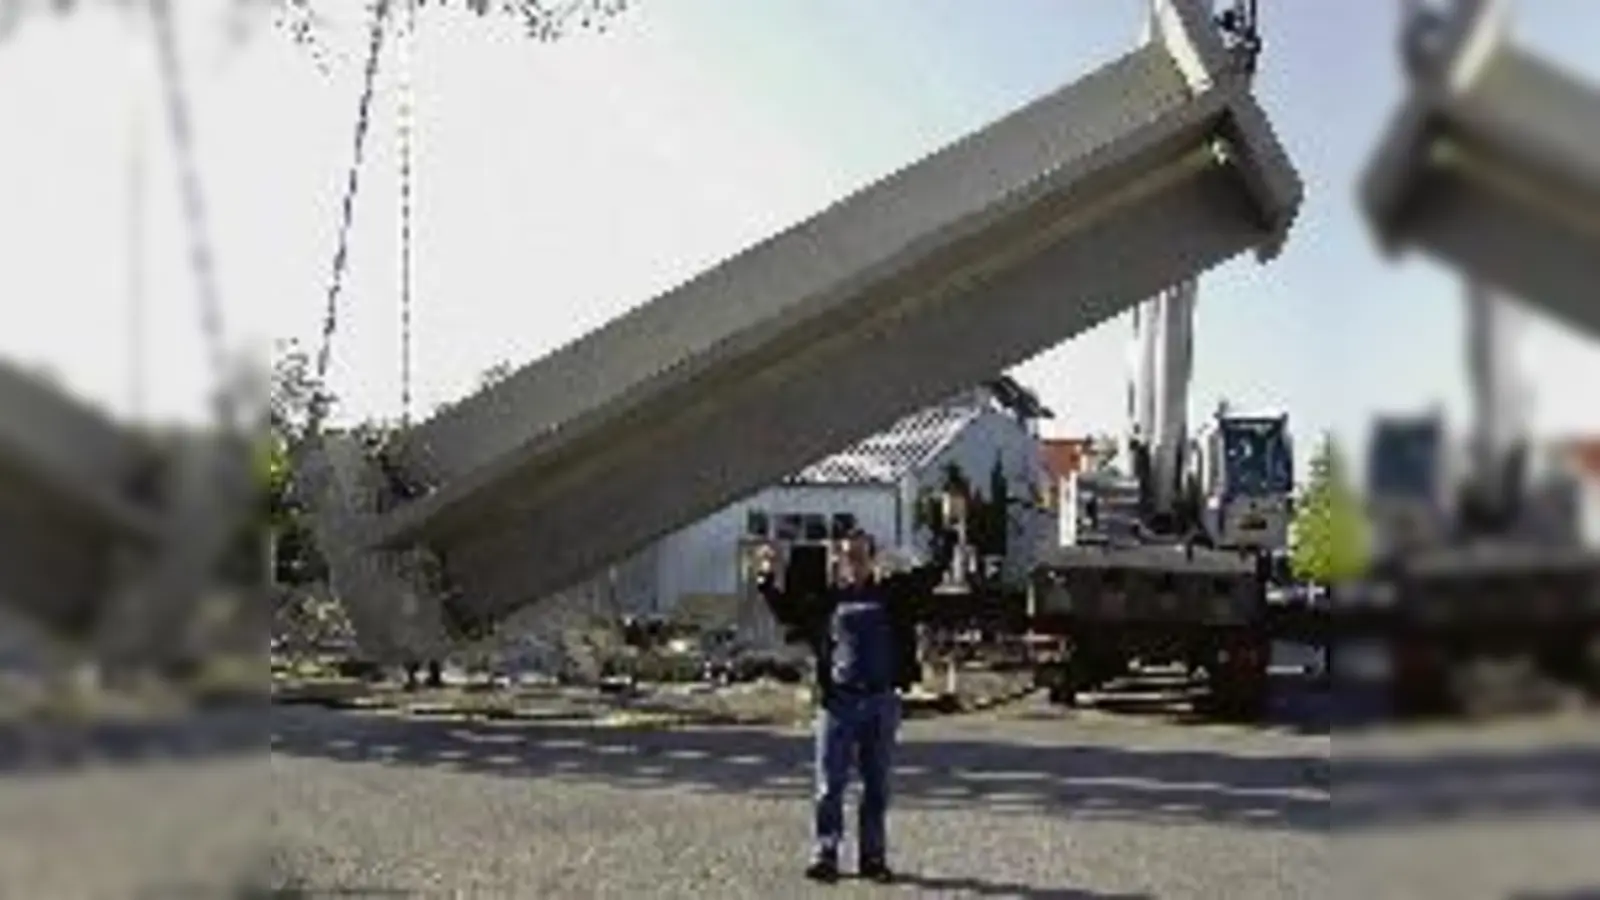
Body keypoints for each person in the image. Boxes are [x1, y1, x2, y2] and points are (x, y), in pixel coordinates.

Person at [752, 500, 961, 884]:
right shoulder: (826, 601)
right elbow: (786, 612)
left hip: (881, 701)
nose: (855, 563)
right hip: (839, 703)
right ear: (838, 560)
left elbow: (933, 572)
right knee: (830, 786)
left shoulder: (893, 594)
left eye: (862, 556)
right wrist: (766, 575)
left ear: (873, 559)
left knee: (876, 787)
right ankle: (825, 854)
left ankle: (873, 859)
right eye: (849, 557)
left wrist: (948, 529)